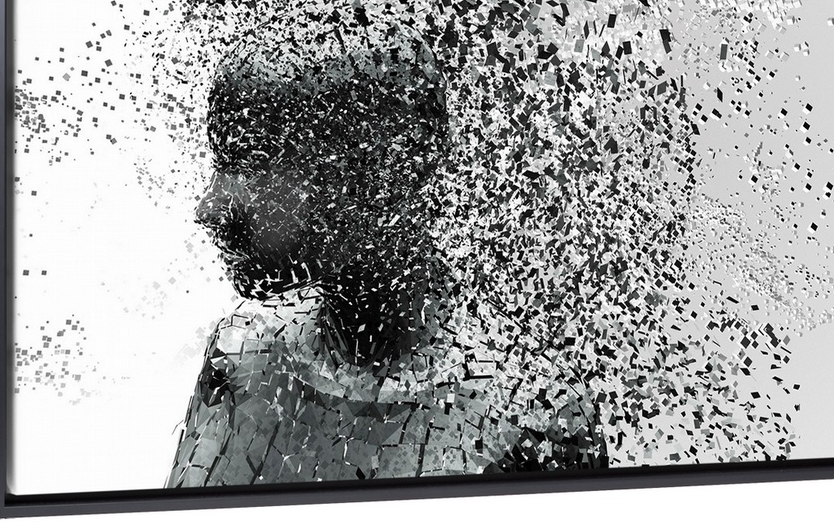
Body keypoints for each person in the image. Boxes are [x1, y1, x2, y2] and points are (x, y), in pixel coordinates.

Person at [166, 29, 606, 487]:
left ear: (382, 169)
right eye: (221, 164)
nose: (210, 207)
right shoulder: (240, 359)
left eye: (251, 163)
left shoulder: (531, 414)